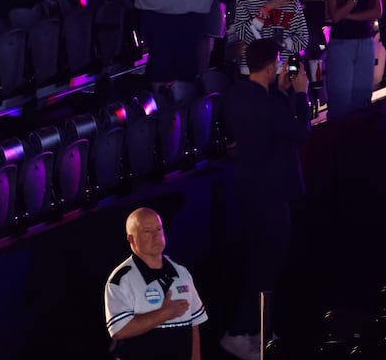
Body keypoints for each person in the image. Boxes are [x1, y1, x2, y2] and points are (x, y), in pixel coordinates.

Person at [221, 38, 309, 360]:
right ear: (272, 65)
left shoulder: (235, 95)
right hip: (272, 192)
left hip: (249, 189)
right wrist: (300, 94)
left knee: (260, 261)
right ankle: (239, 331)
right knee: (269, 265)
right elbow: (301, 132)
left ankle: (256, 327)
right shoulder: (268, 103)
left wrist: (282, 93)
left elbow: (270, 126)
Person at [104, 206, 207, 359]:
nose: (156, 236)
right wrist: (164, 313)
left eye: (159, 229)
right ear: (131, 239)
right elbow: (119, 330)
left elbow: (194, 325)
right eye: (147, 231)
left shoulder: (181, 272)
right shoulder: (121, 279)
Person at [325, 0, 381, 121]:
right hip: (342, 43)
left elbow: (377, 12)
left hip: (365, 41)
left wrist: (348, 15)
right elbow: (335, 16)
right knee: (341, 97)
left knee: (363, 95)